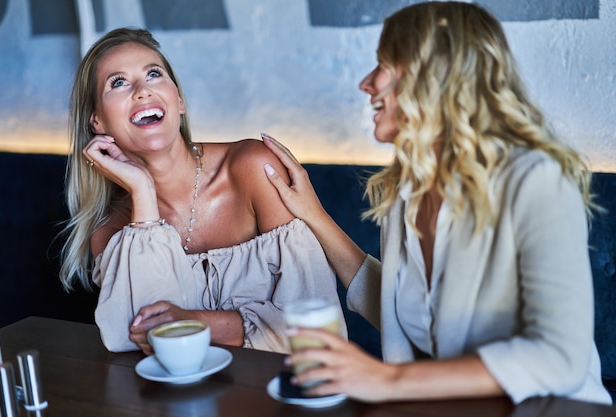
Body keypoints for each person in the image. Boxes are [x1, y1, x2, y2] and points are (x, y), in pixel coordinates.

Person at [262, 1, 612, 405]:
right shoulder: (406, 191)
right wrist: (314, 215)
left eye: (382, 65)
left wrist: (385, 380)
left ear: (433, 76)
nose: (366, 83)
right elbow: (404, 311)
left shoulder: (535, 181)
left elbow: (559, 356)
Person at [58, 28, 346, 354]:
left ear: (178, 101)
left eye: (154, 73)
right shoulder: (111, 231)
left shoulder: (253, 169)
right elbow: (137, 341)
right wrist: (143, 192)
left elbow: (319, 335)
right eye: (118, 82)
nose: (142, 90)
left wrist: (199, 322)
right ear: (98, 123)